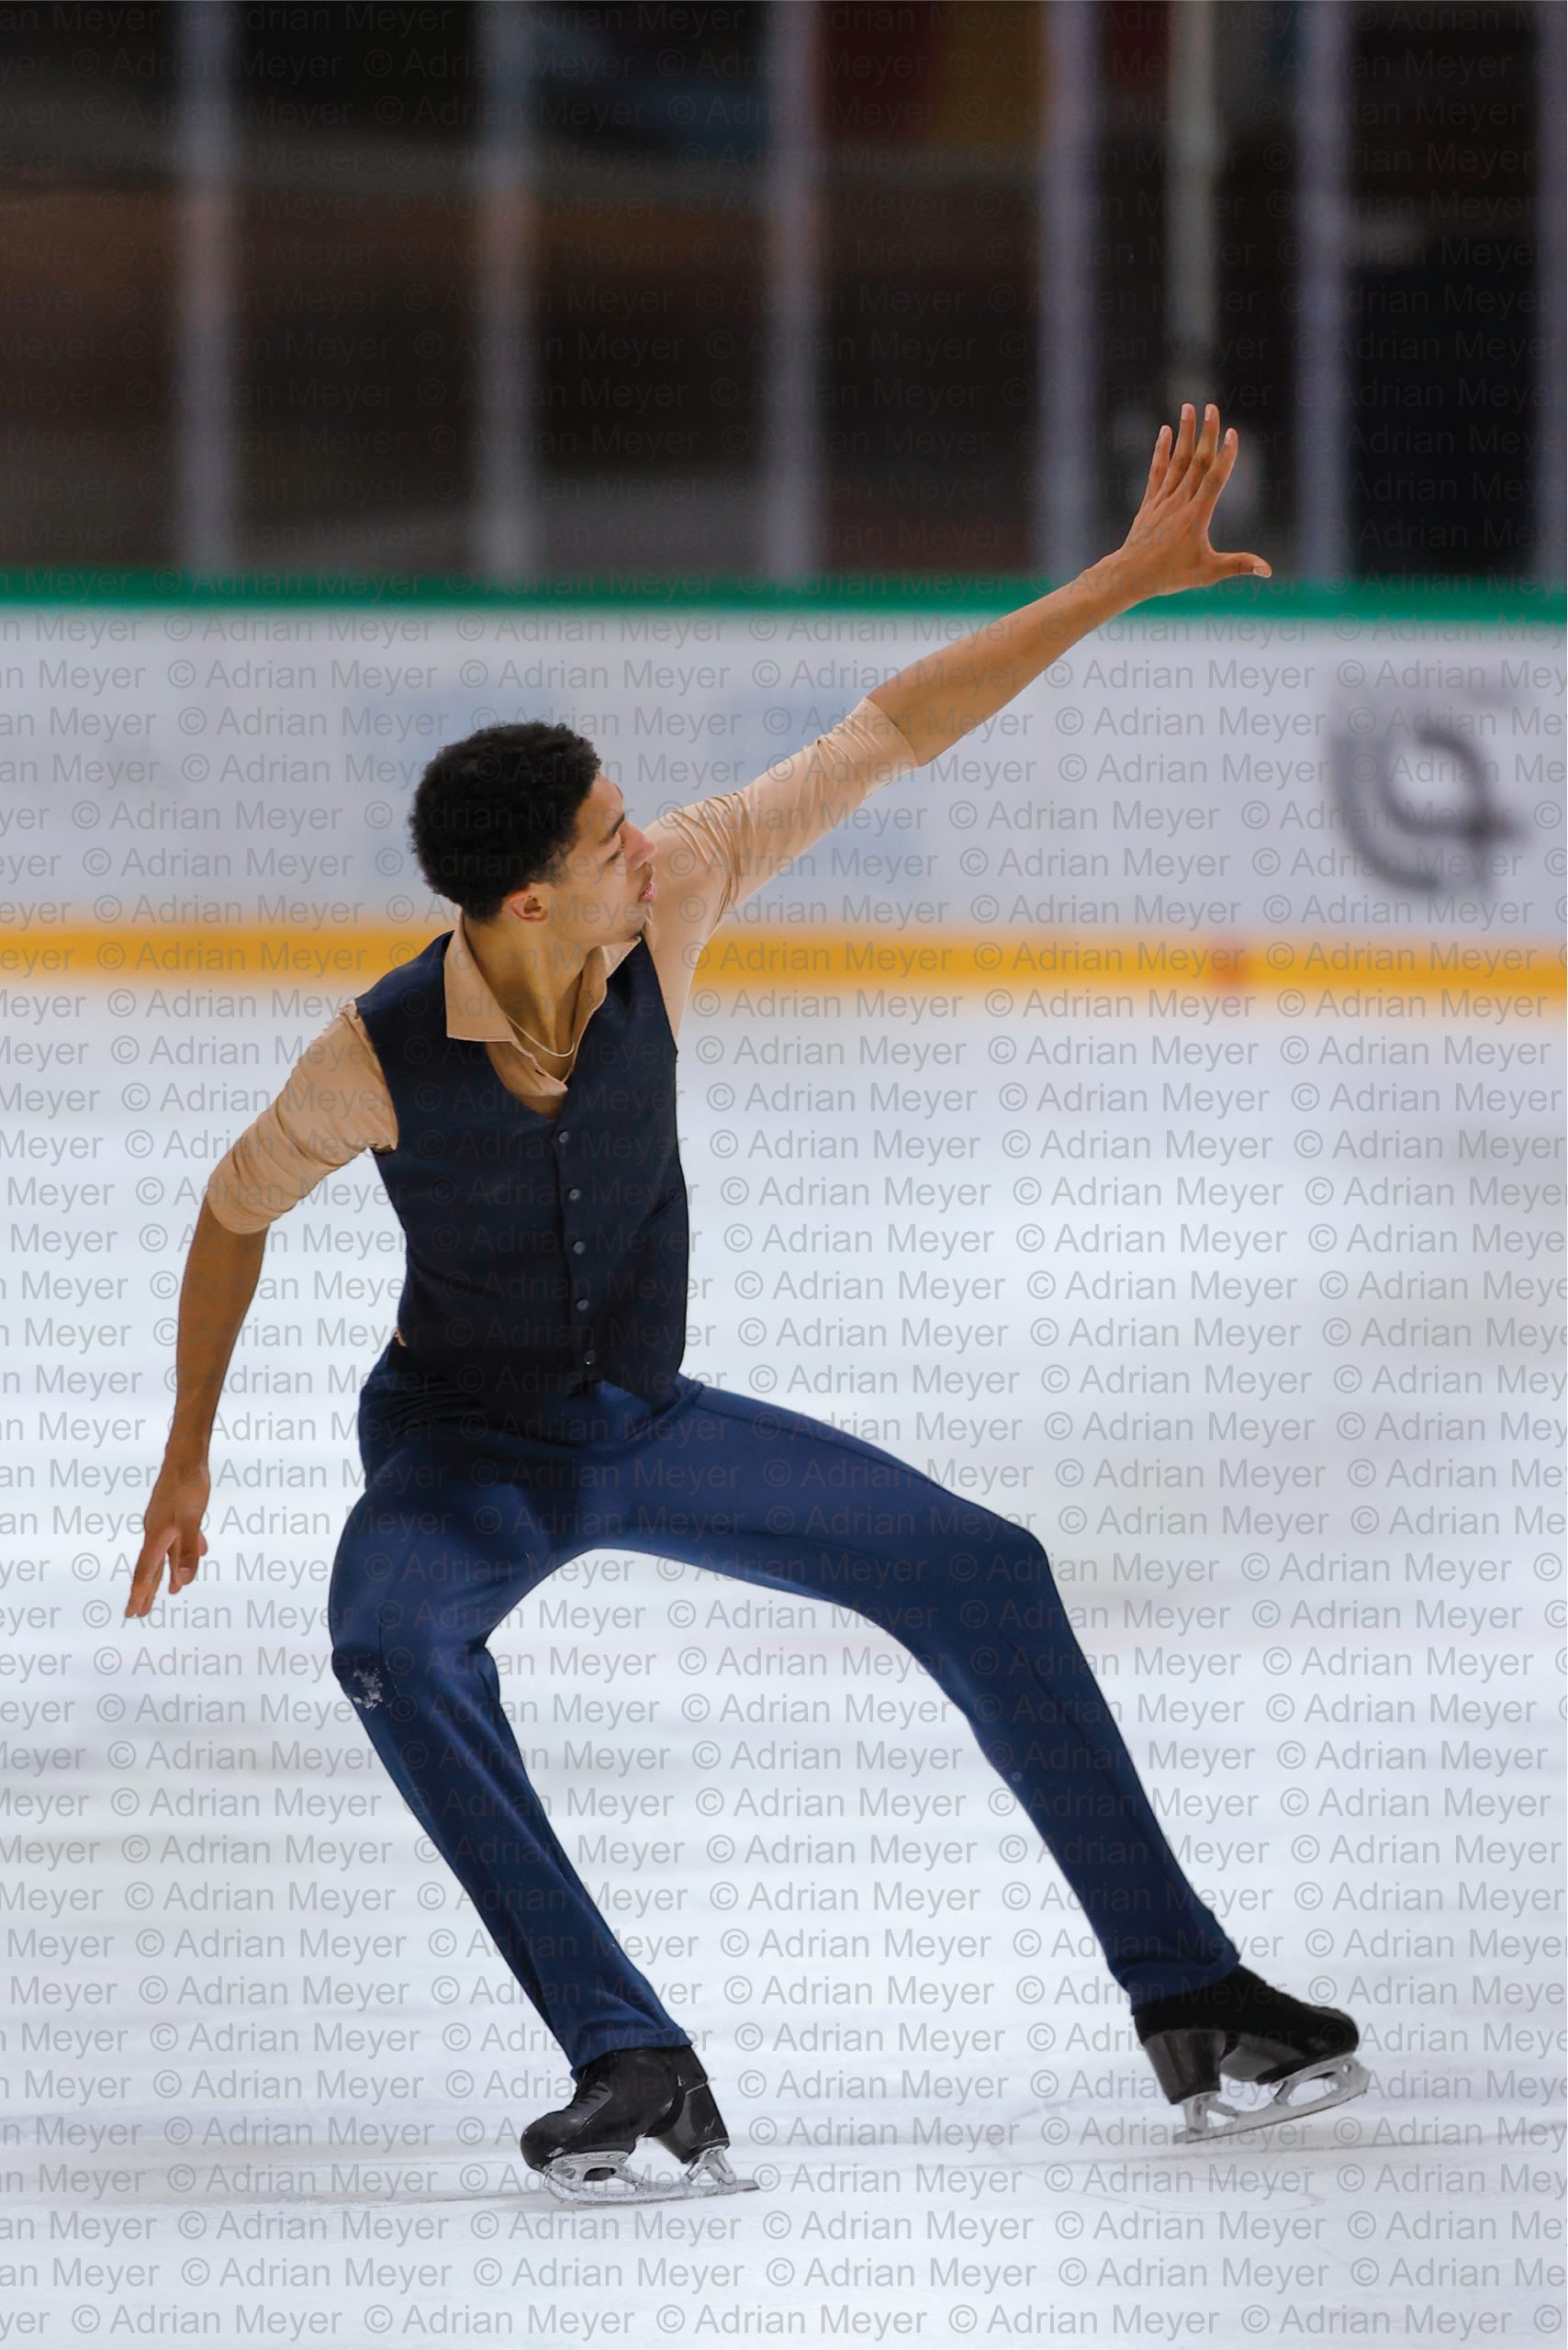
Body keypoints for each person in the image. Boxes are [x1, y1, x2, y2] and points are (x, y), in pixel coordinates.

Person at [128, 405, 1367, 2202]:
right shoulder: (375, 1054)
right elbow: (232, 1208)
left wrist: (1116, 578)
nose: (653, 842)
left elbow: (887, 731)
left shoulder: (675, 897)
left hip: (643, 1423)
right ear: (528, 894)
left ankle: (1188, 1990)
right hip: (464, 1455)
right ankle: (626, 2051)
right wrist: (186, 1458)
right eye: (611, 833)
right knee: (395, 1645)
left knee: (981, 1564)